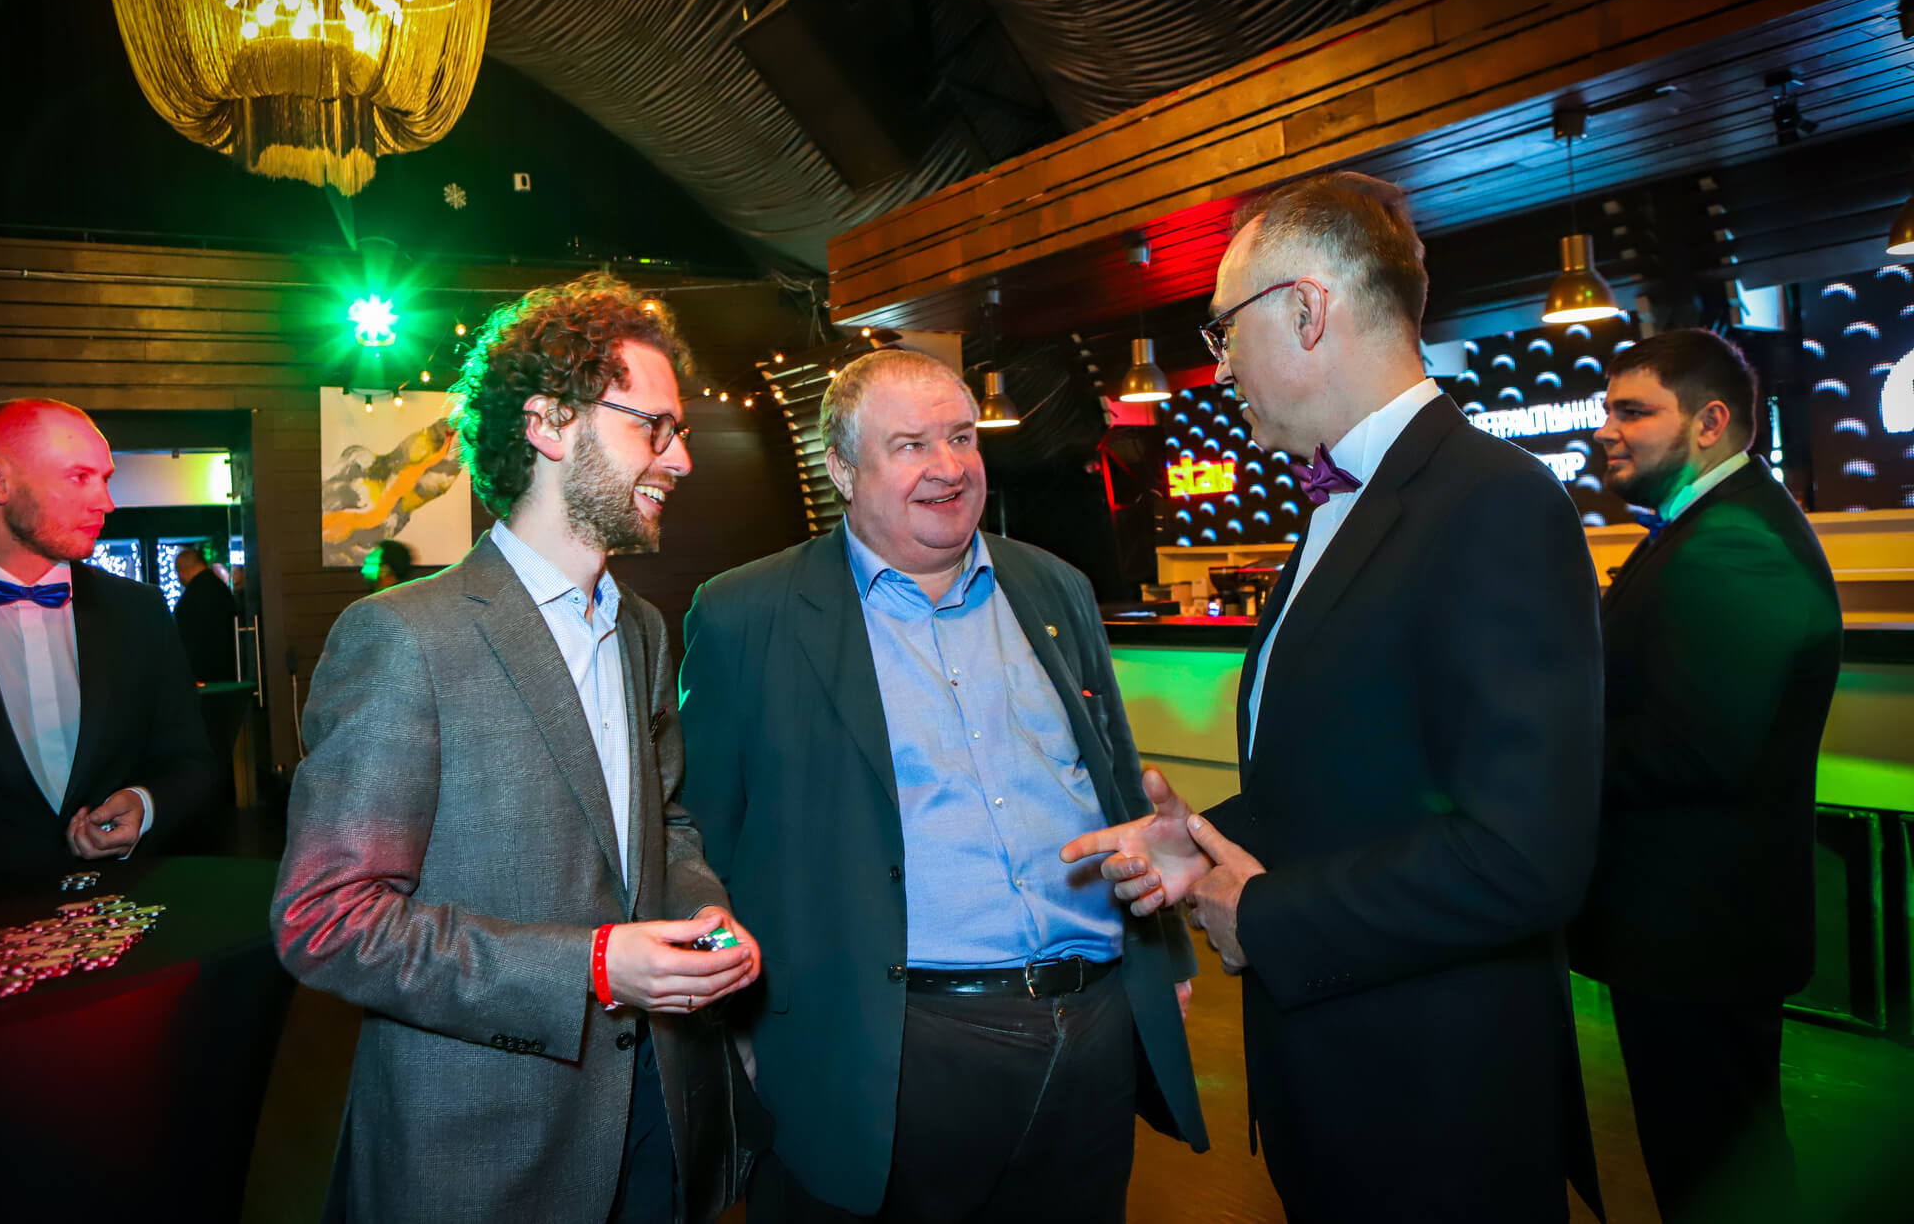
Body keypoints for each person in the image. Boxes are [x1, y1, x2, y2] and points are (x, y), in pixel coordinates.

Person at [1064, 172, 1605, 1222]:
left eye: (1225, 329)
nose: (1221, 365)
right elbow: (1347, 774)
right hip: (1338, 1082)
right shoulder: (1336, 502)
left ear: (1307, 311)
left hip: (1438, 1108)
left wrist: (1264, 916)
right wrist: (1200, 840)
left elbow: (1523, 858)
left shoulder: (1492, 501)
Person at [678, 348, 1207, 1223]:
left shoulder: (1056, 587)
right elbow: (701, 839)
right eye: (912, 445)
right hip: (889, 1047)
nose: (949, 466)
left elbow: (1117, 784)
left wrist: (1166, 961)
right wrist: (724, 1028)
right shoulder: (747, 614)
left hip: (1094, 1029)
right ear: (842, 469)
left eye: (962, 437)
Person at [271, 276, 759, 1224]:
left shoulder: (644, 628)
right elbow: (326, 920)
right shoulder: (404, 637)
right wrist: (590, 967)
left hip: (654, 1118)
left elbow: (662, 823)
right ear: (548, 424)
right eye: (654, 427)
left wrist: (706, 914)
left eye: (680, 430)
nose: (682, 458)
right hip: (482, 1154)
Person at [1568, 329, 1840, 1222]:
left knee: (1720, 1180)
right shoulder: (1703, 525)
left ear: (1711, 422)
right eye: (1608, 409)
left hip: (1700, 936)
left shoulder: (1734, 542)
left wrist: (1545, 751)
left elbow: (1698, 749)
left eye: (1633, 411)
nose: (1606, 429)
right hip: (1683, 935)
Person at [0, 399, 212, 877]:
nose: (106, 502)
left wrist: (145, 803)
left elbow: (190, 761)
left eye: (105, 478)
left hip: (122, 903)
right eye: (79, 477)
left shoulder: (139, 610)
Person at [173, 542, 238, 684]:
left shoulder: (191, 597)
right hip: (227, 670)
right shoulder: (221, 589)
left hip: (203, 675)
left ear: (182, 571)